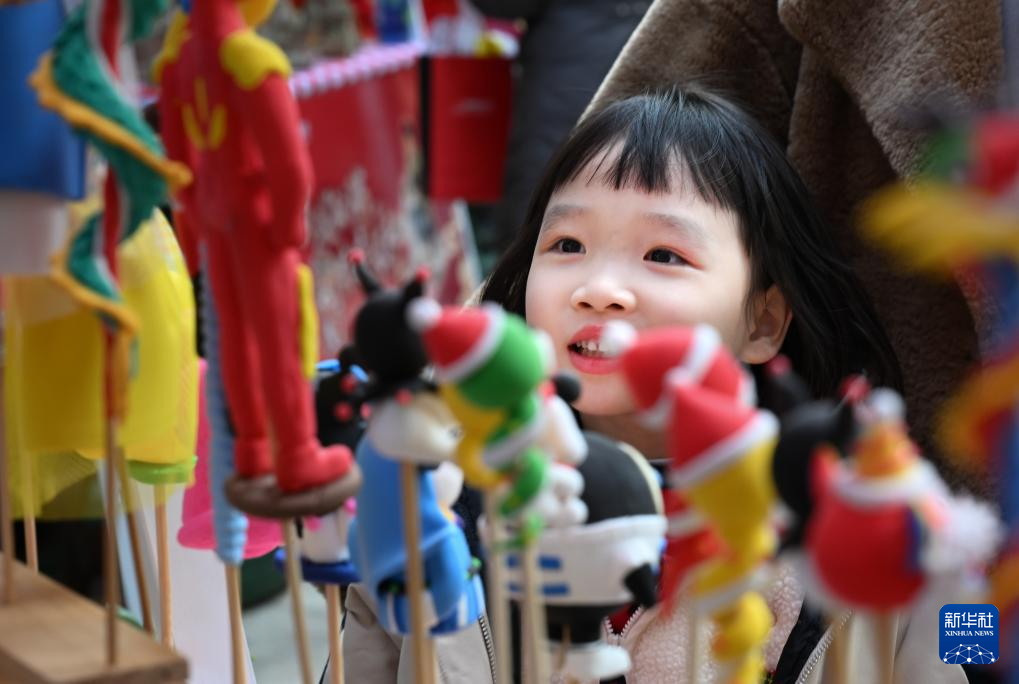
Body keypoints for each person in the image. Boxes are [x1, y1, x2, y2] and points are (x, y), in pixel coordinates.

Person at [478, 85, 961, 683]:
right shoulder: (448, 501)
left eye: (663, 254)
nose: (598, 290)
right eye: (567, 244)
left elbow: (968, 648)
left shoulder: (871, 527)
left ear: (762, 323)